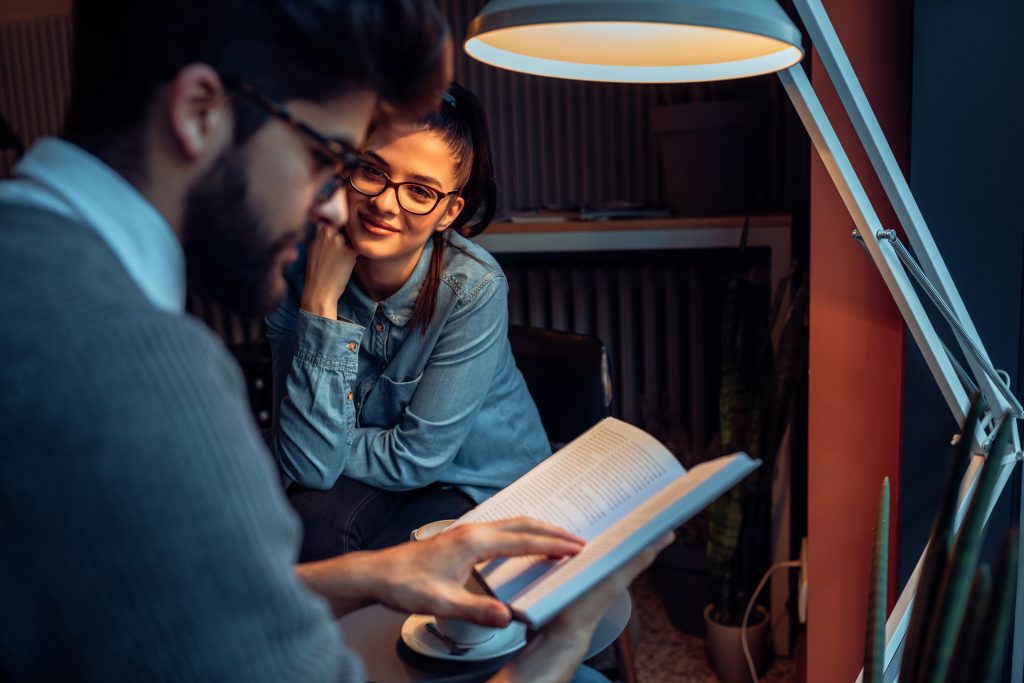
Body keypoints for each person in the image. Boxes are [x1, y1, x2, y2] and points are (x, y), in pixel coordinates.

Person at [0, 1, 671, 682]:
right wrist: (564, 640)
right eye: (330, 156)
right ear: (199, 111)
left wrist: (371, 573)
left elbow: (180, 605)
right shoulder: (154, 369)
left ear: (449, 211)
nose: (335, 206)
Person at [267, 82, 551, 559]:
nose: (383, 203)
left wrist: (321, 441)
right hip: (383, 477)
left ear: (448, 211)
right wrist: (319, 300)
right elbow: (306, 464)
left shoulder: (473, 288)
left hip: (480, 481)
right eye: (372, 171)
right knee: (308, 517)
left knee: (326, 526)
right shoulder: (294, 270)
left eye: (420, 191)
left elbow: (415, 458)